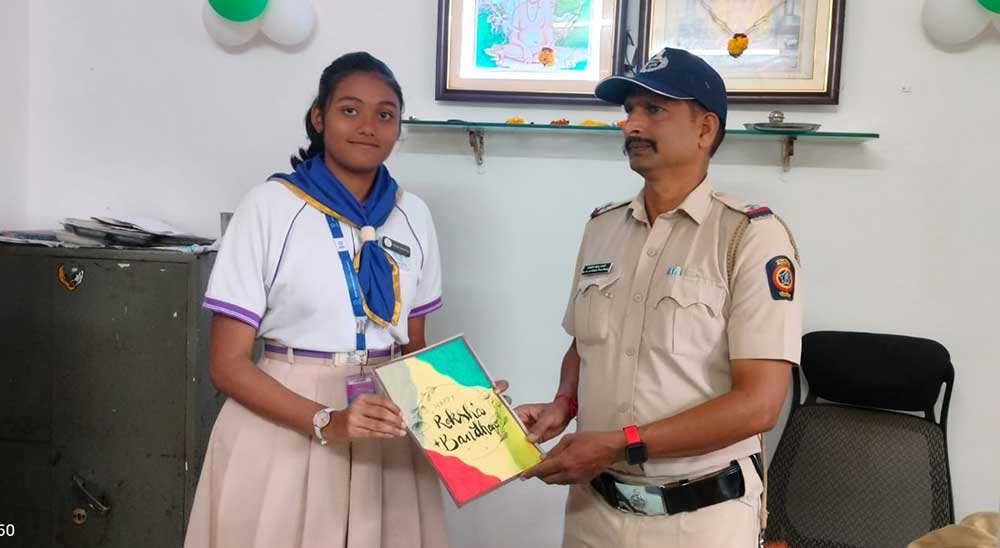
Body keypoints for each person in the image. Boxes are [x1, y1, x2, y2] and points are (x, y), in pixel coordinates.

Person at [516, 47, 803, 547]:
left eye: (654, 110)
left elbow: (759, 405)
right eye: (629, 111)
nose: (631, 125)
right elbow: (585, 345)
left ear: (704, 129)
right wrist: (563, 404)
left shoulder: (751, 237)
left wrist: (617, 446)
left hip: (700, 518)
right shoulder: (602, 228)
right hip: (594, 510)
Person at [183, 51, 450, 548]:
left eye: (385, 114)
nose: (369, 125)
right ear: (319, 117)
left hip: (384, 423)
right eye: (351, 110)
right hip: (286, 421)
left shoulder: (414, 215)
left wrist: (472, 405)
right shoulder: (269, 206)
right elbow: (227, 365)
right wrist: (328, 420)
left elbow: (414, 350)